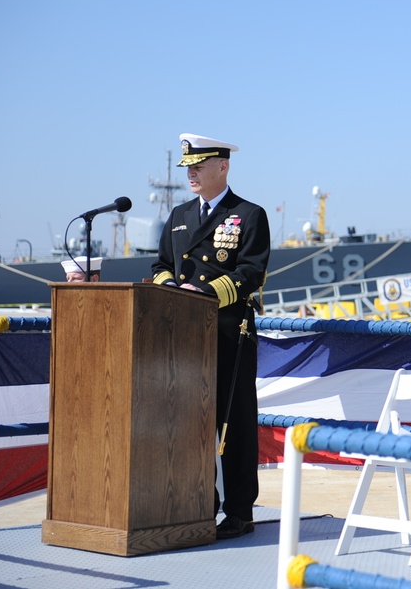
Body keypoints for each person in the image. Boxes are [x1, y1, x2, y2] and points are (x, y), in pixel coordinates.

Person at [151, 133, 271, 540]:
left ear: (223, 167)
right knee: (190, 424)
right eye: (189, 168)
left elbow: (251, 273)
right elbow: (161, 264)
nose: (191, 174)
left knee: (234, 426)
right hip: (184, 338)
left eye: (198, 167)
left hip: (228, 334)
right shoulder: (180, 214)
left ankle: (239, 512)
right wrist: (172, 290)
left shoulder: (249, 215)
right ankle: (197, 506)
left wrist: (203, 293)